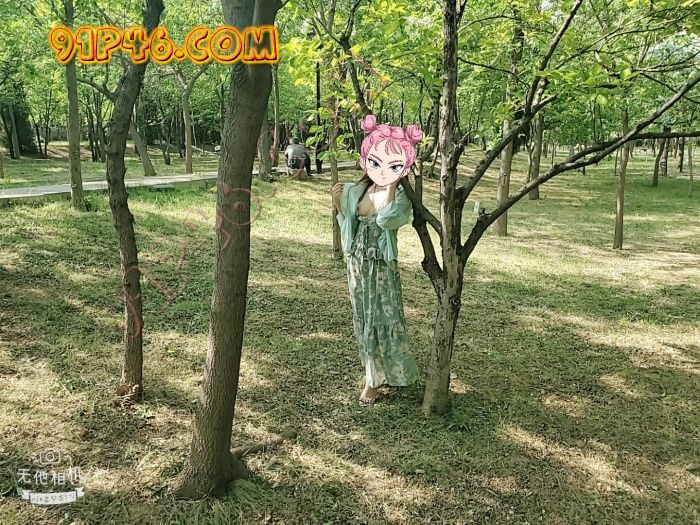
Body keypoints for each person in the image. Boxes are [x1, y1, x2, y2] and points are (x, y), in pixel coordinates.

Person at [331, 114, 423, 404]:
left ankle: (377, 381)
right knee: (363, 318)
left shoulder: (401, 196)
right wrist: (337, 204)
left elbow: (387, 220)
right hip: (357, 263)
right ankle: (373, 374)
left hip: (381, 265)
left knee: (382, 317)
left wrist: (393, 185)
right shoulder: (358, 189)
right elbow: (349, 226)